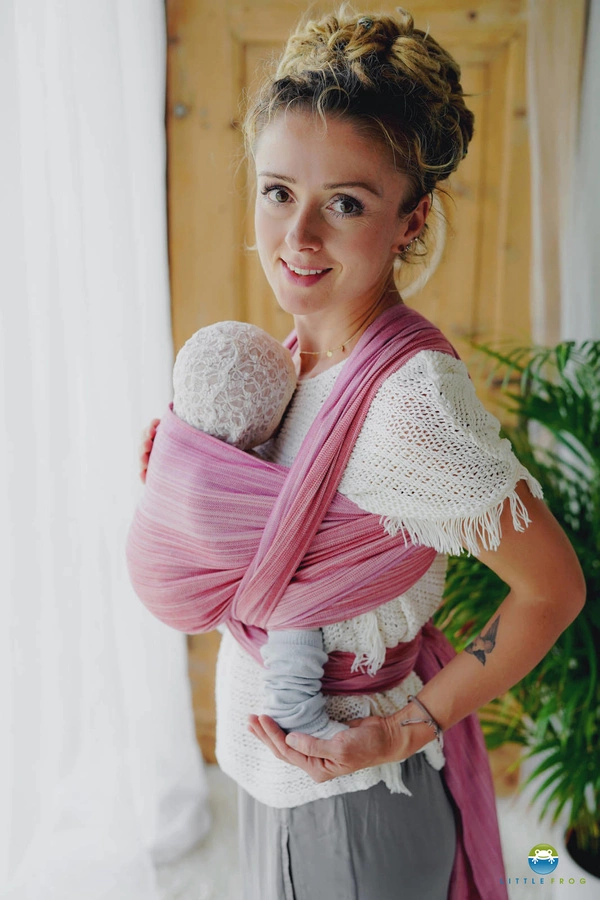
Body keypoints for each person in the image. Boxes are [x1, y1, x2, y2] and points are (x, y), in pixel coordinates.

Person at [136, 7, 585, 898]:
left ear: (412, 220)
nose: (298, 237)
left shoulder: (409, 402)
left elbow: (553, 589)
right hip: (272, 770)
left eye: (345, 203)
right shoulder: (288, 360)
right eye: (278, 192)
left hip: (357, 798)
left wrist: (408, 728)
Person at [172, 319, 348, 740]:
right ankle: (295, 711)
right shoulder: (232, 484)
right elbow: (298, 520)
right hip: (201, 571)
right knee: (293, 600)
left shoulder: (181, 439)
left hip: (162, 563)